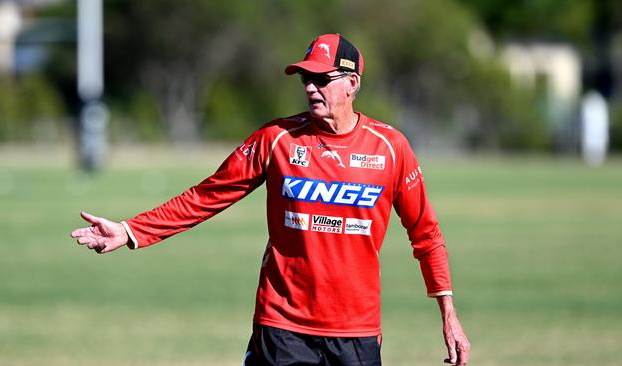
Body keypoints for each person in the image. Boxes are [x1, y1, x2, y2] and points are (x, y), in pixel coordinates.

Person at [71, 33, 470, 366]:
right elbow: (207, 196)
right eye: (305, 79)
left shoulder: (391, 148)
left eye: (322, 78)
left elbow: (426, 235)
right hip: (283, 327)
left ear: (353, 82)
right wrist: (130, 230)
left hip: (356, 333)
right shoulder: (276, 139)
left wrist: (448, 313)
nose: (311, 87)